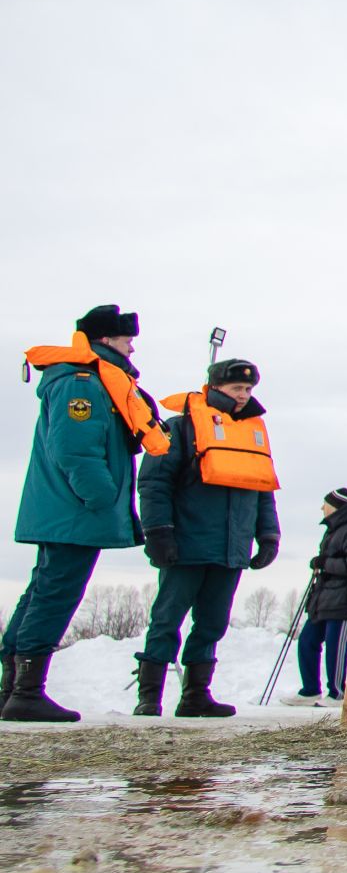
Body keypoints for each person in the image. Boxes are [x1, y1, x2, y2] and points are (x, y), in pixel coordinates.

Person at [4, 305, 171, 722]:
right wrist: (101, 497)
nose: (133, 346)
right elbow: (75, 450)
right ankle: (26, 693)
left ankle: (11, 689)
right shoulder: (83, 382)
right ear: (106, 339)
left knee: (43, 590)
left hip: (65, 510)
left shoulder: (89, 379)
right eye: (127, 338)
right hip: (75, 511)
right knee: (56, 594)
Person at [133, 358, 281, 717]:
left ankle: (196, 695)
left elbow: (263, 489)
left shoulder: (254, 434)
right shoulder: (180, 428)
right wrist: (158, 531)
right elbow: (154, 483)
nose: (244, 396)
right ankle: (149, 696)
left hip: (232, 546)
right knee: (167, 619)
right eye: (236, 389)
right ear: (213, 388)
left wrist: (269, 533)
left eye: (248, 390)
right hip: (186, 543)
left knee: (213, 622)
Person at [281, 487, 347, 706]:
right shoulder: (334, 529)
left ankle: (337, 693)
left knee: (335, 645)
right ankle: (310, 690)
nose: (322, 508)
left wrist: (325, 563)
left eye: (325, 504)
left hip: (343, 598)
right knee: (307, 640)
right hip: (324, 597)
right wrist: (320, 563)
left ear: (336, 507)